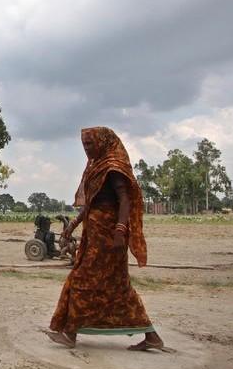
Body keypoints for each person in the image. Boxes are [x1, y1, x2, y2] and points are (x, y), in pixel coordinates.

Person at [44, 126, 165, 351]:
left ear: (102, 142)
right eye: (83, 145)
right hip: (95, 236)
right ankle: (152, 337)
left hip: (110, 239)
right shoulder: (95, 167)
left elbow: (125, 200)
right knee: (118, 288)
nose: (86, 149)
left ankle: (70, 333)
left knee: (81, 280)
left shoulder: (112, 167)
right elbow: (91, 204)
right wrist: (73, 224)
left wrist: (120, 231)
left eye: (89, 144)